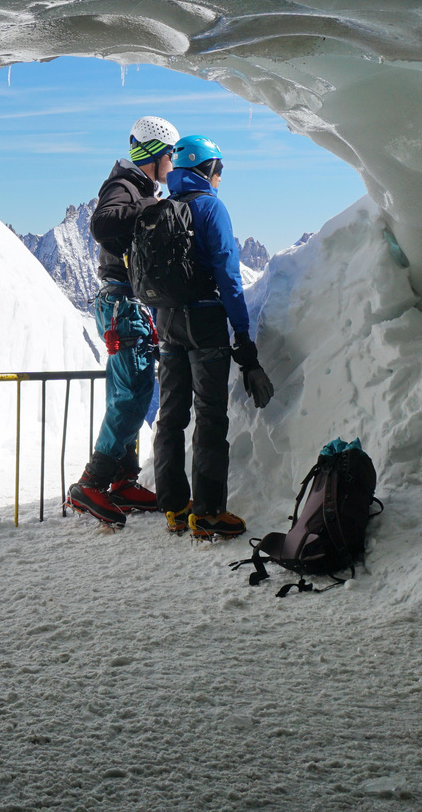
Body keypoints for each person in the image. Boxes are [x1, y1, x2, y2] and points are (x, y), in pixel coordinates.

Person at [152, 135, 274, 540]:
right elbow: (228, 275)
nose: (221, 176)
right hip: (204, 323)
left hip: (167, 323)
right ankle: (206, 514)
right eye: (218, 168)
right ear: (204, 170)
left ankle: (173, 507)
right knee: (209, 418)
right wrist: (242, 335)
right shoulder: (210, 207)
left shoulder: (162, 209)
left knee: (170, 416)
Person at [65, 115, 179, 526]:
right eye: (170, 155)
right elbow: (101, 223)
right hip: (122, 302)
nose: (173, 163)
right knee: (132, 394)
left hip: (128, 303)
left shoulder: (136, 187)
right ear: (155, 154)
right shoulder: (125, 187)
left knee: (129, 390)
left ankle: (122, 480)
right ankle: (91, 483)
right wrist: (153, 206)